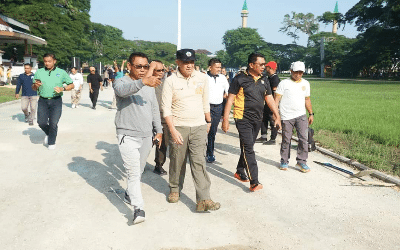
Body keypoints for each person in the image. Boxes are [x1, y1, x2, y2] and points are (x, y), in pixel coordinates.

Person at [161, 49, 220, 212]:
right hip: (179, 127)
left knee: (199, 162)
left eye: (192, 62)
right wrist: (172, 130)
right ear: (178, 62)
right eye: (185, 62)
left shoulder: (202, 78)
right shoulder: (171, 81)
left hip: (199, 126)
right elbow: (165, 108)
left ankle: (203, 199)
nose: (189, 65)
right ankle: (174, 189)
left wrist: (208, 121)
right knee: (177, 160)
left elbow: (205, 101)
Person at [113, 52, 162, 225]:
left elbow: (154, 109)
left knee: (139, 170)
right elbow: (122, 91)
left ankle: (129, 193)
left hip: (146, 136)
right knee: (133, 173)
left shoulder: (150, 85)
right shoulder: (121, 81)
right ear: (129, 66)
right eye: (138, 66)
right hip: (127, 135)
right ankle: (138, 208)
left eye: (146, 66)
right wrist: (143, 82)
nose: (142, 70)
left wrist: (159, 130)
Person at [222, 53, 281, 192]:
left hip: (257, 118)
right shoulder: (239, 79)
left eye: (264, 64)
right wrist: (225, 120)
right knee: (249, 147)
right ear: (251, 65)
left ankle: (239, 170)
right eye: (261, 64)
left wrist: (277, 115)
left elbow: (269, 98)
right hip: (242, 118)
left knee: (247, 145)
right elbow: (230, 99)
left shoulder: (264, 79)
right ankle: (254, 181)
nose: (264, 67)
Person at [274, 61, 314, 172]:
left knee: (304, 139)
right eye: (296, 72)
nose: (298, 75)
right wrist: (276, 115)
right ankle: (284, 161)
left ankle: (301, 162)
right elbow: (276, 100)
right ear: (291, 71)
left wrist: (310, 113)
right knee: (286, 139)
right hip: (286, 116)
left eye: (301, 72)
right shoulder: (284, 83)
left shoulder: (305, 83)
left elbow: (307, 99)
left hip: (301, 115)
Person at [32, 53, 74, 150]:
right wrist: (36, 85)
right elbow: (33, 87)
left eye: (49, 61)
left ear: (54, 61)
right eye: (45, 61)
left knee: (53, 123)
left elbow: (71, 85)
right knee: (41, 122)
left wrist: (63, 88)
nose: (47, 63)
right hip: (43, 100)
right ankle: (50, 133)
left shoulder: (61, 72)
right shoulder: (39, 72)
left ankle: (51, 142)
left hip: (56, 101)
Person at [206, 58, 229, 163]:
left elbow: (228, 91)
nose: (219, 69)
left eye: (220, 67)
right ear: (210, 67)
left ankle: (210, 153)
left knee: (212, 131)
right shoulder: (204, 78)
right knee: (202, 130)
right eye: (217, 67)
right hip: (205, 107)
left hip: (217, 108)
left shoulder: (223, 78)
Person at [255, 61, 280, 144]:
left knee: (272, 120)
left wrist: (274, 104)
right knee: (263, 119)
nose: (265, 68)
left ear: (271, 68)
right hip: (266, 103)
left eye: (267, 67)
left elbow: (275, 93)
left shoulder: (275, 78)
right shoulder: (268, 77)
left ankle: (273, 139)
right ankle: (263, 136)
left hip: (271, 102)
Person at [153, 60, 169, 175]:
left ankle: (159, 165)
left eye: (163, 70)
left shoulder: (168, 82)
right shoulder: (145, 82)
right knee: (144, 143)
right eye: (158, 70)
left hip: (163, 117)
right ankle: (139, 164)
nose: (161, 72)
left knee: (162, 143)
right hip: (147, 117)